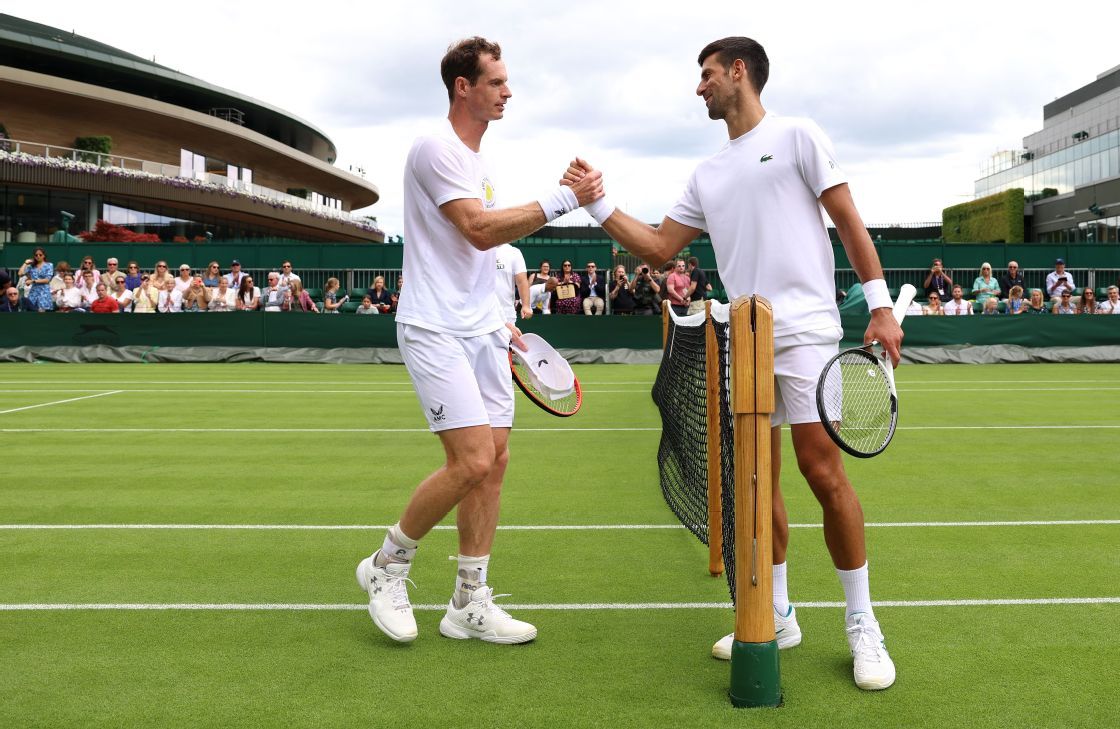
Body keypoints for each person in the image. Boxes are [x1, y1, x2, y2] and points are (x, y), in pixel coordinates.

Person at [561, 37, 901, 690]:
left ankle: (863, 623)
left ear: (738, 72)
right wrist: (597, 204)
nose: (700, 87)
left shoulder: (799, 136)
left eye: (707, 75)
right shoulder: (706, 174)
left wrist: (881, 306)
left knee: (821, 470)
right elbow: (660, 248)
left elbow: (850, 221)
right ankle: (777, 610)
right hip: (744, 339)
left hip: (803, 332)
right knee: (756, 480)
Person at [355, 35, 604, 650]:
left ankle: (468, 600)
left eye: (505, 81)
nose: (507, 91)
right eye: (496, 82)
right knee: (469, 461)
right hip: (434, 328)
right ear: (463, 87)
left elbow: (476, 257)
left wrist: (501, 320)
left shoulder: (478, 161)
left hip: (483, 329)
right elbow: (478, 230)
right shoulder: (434, 148)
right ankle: (386, 565)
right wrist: (565, 198)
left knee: (493, 465)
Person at [496, 243, 532, 322]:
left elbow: (522, 281)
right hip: (480, 314)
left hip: (506, 313)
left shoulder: (514, 252)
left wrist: (526, 305)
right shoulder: (477, 249)